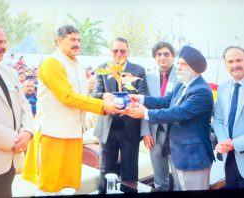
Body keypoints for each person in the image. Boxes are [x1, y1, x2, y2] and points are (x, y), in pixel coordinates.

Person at [22, 25, 122, 196]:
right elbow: (67, 96)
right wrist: (102, 107)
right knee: (49, 186)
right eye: (72, 40)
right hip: (52, 134)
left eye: (78, 40)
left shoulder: (77, 65)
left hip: (73, 133)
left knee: (68, 184)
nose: (77, 43)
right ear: (59, 41)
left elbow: (82, 96)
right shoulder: (52, 63)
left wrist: (104, 97)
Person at [124, 46, 215, 191]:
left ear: (195, 68)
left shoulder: (201, 91)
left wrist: (146, 114)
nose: (178, 67)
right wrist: (140, 99)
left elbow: (178, 113)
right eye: (178, 63)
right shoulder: (182, 85)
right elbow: (164, 102)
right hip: (180, 152)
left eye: (183, 64)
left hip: (193, 156)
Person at [0, 23, 33, 197]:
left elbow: (24, 104)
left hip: (11, 163)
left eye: (5, 42)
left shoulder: (10, 72)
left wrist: (28, 133)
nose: (4, 47)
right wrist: (15, 140)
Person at [92, 37, 147, 193]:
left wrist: (131, 102)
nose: (119, 54)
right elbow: (95, 93)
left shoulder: (138, 70)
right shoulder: (102, 69)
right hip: (107, 127)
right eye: (115, 50)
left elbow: (144, 95)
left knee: (130, 171)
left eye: (123, 50)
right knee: (106, 170)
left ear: (128, 52)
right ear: (111, 52)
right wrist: (105, 96)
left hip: (130, 127)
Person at [141, 41, 178, 191]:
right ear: (155, 58)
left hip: (176, 133)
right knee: (159, 179)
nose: (163, 57)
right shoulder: (148, 77)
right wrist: (145, 133)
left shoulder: (182, 74)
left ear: (173, 56)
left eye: (166, 54)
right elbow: (144, 105)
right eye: (159, 54)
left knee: (178, 178)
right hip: (155, 134)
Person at [214, 46, 244, 189]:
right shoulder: (223, 87)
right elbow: (219, 120)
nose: (235, 65)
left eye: (239, 60)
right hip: (229, 160)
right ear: (225, 64)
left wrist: (235, 144)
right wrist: (224, 141)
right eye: (230, 61)